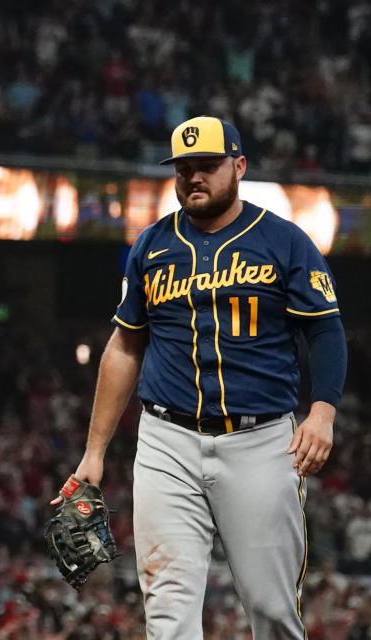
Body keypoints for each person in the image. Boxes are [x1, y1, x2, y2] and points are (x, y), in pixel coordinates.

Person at [57, 116, 346, 638]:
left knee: (272, 607)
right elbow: (125, 345)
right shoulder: (151, 246)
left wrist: (322, 410)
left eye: (207, 167)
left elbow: (325, 332)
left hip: (260, 440)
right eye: (184, 168)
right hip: (167, 440)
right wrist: (94, 451)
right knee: (167, 613)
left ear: (238, 166)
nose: (194, 177)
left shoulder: (283, 241)